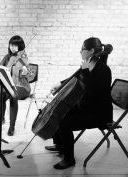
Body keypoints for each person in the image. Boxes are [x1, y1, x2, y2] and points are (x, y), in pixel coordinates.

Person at [45, 37, 113, 169]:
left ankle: (69, 159)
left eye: (82, 49)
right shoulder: (90, 65)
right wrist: (60, 83)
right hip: (87, 107)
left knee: (65, 123)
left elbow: (93, 91)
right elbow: (76, 78)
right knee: (60, 112)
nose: (80, 51)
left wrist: (85, 71)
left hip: (99, 114)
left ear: (91, 50)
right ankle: (60, 145)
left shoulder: (103, 69)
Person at [0, 35, 33, 136]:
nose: (12, 47)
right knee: (1, 96)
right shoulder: (7, 57)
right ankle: (1, 119)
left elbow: (30, 74)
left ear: (20, 46)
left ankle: (12, 126)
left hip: (22, 87)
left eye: (15, 45)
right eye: (11, 45)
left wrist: (25, 73)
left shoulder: (23, 57)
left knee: (13, 96)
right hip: (11, 86)